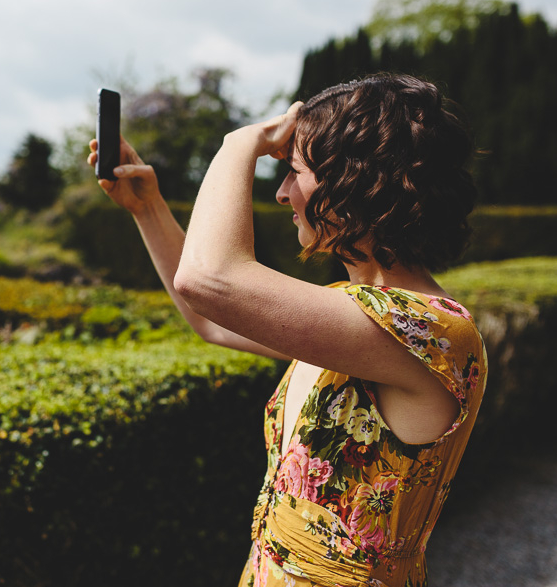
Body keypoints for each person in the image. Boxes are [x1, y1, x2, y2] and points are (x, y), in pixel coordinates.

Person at [87, 73, 487, 587]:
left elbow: (211, 279)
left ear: (359, 179)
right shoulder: (353, 312)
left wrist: (241, 142)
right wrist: (147, 208)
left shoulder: (431, 333)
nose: (280, 194)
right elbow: (212, 316)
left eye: (293, 172)